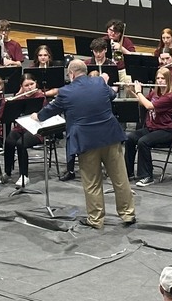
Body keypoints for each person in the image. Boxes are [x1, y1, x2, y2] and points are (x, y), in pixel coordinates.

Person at [34, 59, 135, 229]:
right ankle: (128, 214)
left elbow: (46, 113)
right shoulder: (99, 82)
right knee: (120, 178)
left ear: (71, 74)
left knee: (92, 182)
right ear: (86, 71)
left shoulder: (66, 92)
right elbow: (112, 95)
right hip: (110, 136)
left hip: (86, 141)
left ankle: (96, 219)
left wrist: (35, 116)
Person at [125, 66, 172, 186]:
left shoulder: (170, 97)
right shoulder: (155, 92)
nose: (159, 80)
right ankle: (128, 173)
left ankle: (147, 176)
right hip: (151, 128)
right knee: (129, 138)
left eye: (162, 78)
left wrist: (139, 91)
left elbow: (150, 106)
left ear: (168, 80)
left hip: (166, 131)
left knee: (143, 142)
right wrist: (131, 91)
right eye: (158, 78)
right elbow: (142, 102)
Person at [3, 73, 45, 187]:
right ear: (22, 87)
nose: (30, 87)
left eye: (32, 84)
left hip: (37, 129)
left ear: (36, 83)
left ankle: (24, 175)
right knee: (9, 141)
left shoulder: (40, 97)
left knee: (21, 144)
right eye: (26, 85)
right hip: (21, 128)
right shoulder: (19, 98)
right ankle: (7, 172)